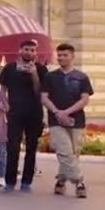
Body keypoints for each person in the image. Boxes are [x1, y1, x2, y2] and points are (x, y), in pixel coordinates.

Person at [41, 43, 93, 198]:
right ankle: (79, 182)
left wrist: (67, 112)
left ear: (72, 56)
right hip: (56, 120)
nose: (61, 58)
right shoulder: (50, 76)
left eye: (65, 55)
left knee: (73, 153)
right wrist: (57, 112)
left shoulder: (82, 77)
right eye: (59, 55)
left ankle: (61, 180)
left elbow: (85, 99)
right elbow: (44, 98)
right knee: (64, 151)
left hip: (77, 120)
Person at [0, 40, 49, 192]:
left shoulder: (41, 69)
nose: (30, 52)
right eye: (27, 49)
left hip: (34, 113)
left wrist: (34, 74)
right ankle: (10, 181)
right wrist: (5, 104)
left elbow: (40, 92)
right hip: (15, 113)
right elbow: (2, 89)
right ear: (20, 50)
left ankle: (27, 181)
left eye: (33, 50)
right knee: (12, 147)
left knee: (31, 147)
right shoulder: (9, 68)